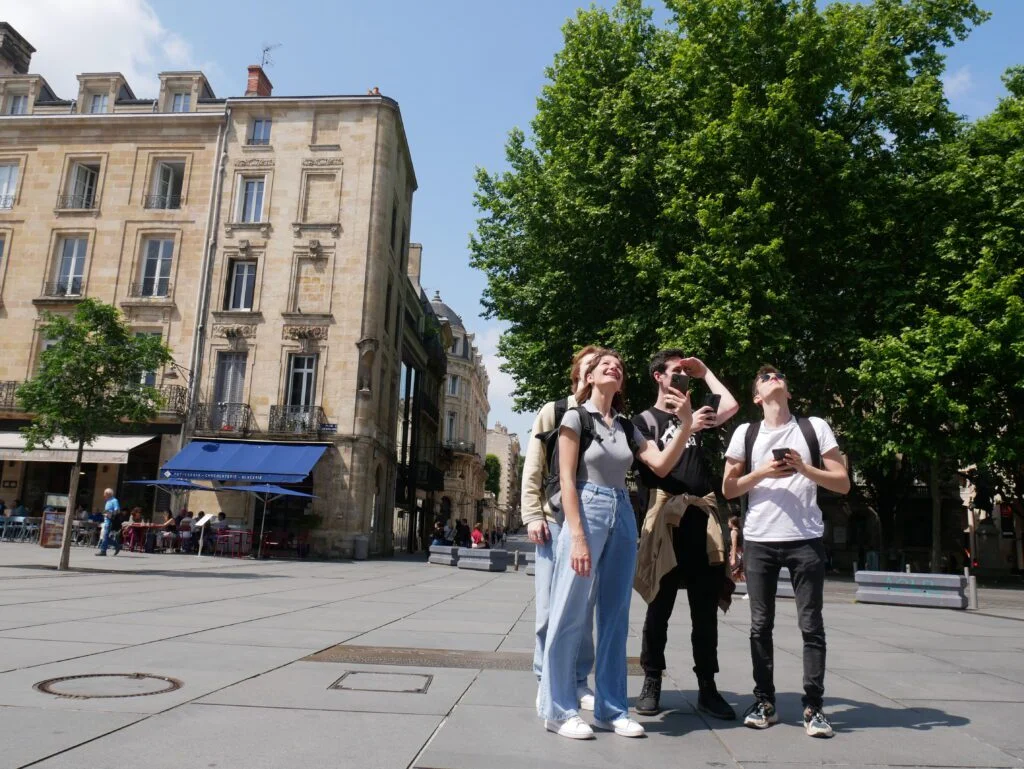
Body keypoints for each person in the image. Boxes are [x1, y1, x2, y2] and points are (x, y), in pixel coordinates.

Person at [538, 348, 693, 740]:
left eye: (619, 367)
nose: (614, 367)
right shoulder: (576, 417)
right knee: (569, 611)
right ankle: (558, 709)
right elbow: (567, 480)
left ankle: (610, 709)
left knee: (615, 616)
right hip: (586, 509)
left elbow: (659, 464)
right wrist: (576, 537)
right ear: (590, 376)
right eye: (606, 364)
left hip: (622, 510)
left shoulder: (626, 426)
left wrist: (686, 424)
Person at [722, 365, 850, 739]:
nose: (772, 376)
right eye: (763, 377)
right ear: (757, 397)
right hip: (760, 539)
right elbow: (729, 489)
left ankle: (814, 708)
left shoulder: (815, 427)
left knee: (811, 626)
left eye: (778, 375)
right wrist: (762, 473)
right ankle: (765, 702)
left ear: (788, 391)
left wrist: (803, 468)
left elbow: (842, 483)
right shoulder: (745, 433)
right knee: (760, 626)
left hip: (805, 539)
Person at [632, 350, 740, 720]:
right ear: (658, 377)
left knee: (704, 612)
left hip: (701, 521)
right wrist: (684, 424)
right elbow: (656, 464)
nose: (683, 378)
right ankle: (652, 680)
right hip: (665, 520)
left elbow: (731, 404)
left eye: (685, 373)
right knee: (658, 608)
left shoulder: (699, 415)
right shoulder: (643, 421)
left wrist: (705, 370)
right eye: (676, 372)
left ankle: (707, 687)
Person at [522, 345, 600, 713]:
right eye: (587, 369)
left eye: (597, 369)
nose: (592, 374)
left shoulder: (607, 416)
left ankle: (579, 680)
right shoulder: (554, 412)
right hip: (554, 522)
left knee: (583, 611)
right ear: (577, 375)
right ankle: (545, 679)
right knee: (548, 611)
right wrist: (532, 514)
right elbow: (533, 466)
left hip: (593, 526)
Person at [95, 489, 121, 556]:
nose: (104, 495)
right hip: (106, 521)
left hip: (110, 521)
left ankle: (103, 551)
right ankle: (117, 546)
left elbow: (117, 511)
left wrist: (109, 514)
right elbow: (108, 510)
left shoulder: (114, 500)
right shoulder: (108, 501)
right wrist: (105, 513)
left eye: (105, 494)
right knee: (105, 537)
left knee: (105, 536)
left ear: (108, 494)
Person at [728, 515, 744, 582]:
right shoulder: (739, 531)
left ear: (732, 522)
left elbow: (734, 545)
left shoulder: (733, 532)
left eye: (728, 522)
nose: (728, 523)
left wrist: (733, 558)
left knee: (732, 574)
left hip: (736, 555)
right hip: (741, 554)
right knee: (739, 574)